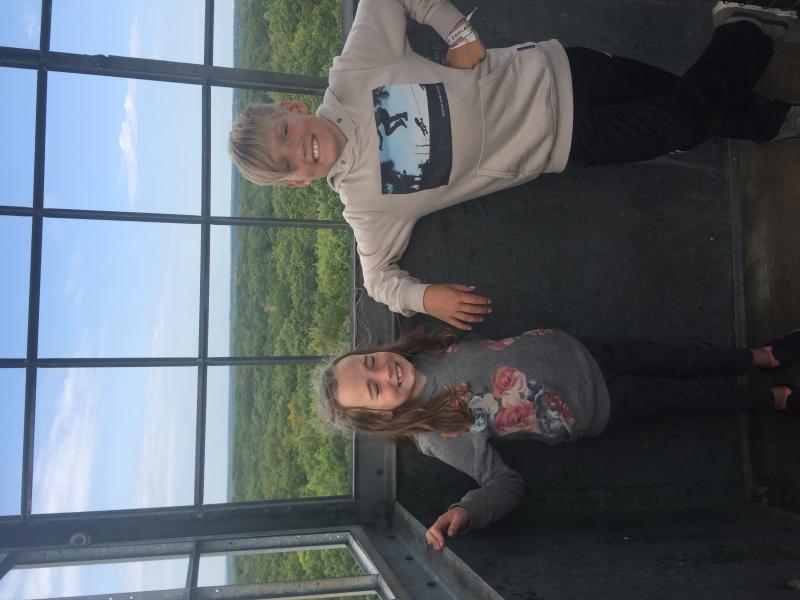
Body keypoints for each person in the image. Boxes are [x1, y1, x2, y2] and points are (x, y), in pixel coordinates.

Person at [229, 1, 800, 330]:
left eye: (286, 134)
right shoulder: (364, 206)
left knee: (685, 102)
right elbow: (378, 281)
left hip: (560, 69)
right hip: (565, 142)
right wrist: (425, 299)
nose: (299, 149)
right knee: (684, 118)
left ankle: (770, 116)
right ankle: (745, 31)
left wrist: (458, 32)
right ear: (297, 181)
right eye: (287, 163)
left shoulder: (353, 73)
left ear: (293, 111)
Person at [317, 327, 800, 551]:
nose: (385, 373)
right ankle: (775, 398)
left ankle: (762, 356)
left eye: (371, 362)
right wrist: (467, 510)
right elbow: (503, 484)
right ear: (381, 417)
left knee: (682, 356)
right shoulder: (438, 435)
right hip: (597, 405)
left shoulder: (421, 351)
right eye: (374, 389)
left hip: (587, 346)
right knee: (690, 398)